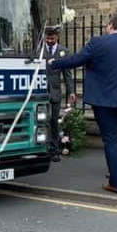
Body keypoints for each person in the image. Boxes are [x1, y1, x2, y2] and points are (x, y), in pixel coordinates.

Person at [49, 14, 117, 194]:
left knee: (111, 140)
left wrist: (54, 62)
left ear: (110, 26)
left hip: (104, 102)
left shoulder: (98, 42)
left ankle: (116, 183)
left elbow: (76, 60)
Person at [43, 27, 76, 162]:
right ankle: (41, 147)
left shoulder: (64, 51)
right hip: (40, 91)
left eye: (52, 38)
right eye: (48, 38)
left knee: (54, 121)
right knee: (41, 120)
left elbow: (67, 75)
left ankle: (55, 149)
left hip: (55, 92)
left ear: (57, 37)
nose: (50, 41)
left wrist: (72, 91)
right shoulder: (39, 51)